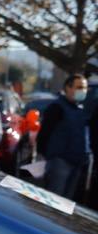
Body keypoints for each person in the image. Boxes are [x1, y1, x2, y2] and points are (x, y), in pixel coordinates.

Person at [38, 73, 92, 201]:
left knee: (66, 203)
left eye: (84, 88)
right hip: (60, 163)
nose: (83, 91)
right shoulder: (57, 107)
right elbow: (44, 134)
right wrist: (47, 157)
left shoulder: (80, 109)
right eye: (79, 87)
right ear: (68, 88)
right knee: (54, 201)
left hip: (76, 163)